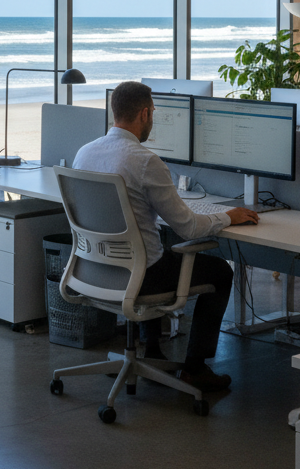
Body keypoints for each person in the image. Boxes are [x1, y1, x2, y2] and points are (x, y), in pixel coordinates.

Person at [73, 81, 259, 392]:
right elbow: (188, 228)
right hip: (141, 276)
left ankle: (152, 350)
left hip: (95, 270)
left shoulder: (84, 153)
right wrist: (228, 215)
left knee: (152, 245)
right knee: (220, 271)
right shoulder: (145, 161)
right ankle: (195, 368)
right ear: (144, 114)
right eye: (154, 113)